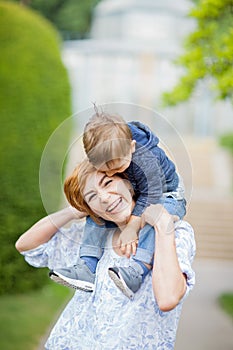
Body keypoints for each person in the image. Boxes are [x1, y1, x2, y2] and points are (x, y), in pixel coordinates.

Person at [15, 161, 196, 349]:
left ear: (128, 182)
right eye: (92, 196)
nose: (104, 198)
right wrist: (73, 211)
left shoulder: (175, 233)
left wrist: (161, 223)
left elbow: (168, 299)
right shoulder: (93, 240)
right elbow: (27, 245)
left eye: (107, 183)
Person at [52, 111, 186, 297]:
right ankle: (87, 267)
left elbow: (151, 194)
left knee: (154, 217)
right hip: (141, 190)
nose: (113, 172)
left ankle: (137, 270)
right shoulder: (112, 150)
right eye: (106, 170)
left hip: (167, 194)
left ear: (132, 147)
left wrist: (132, 226)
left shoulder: (146, 158)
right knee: (98, 210)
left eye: (118, 167)